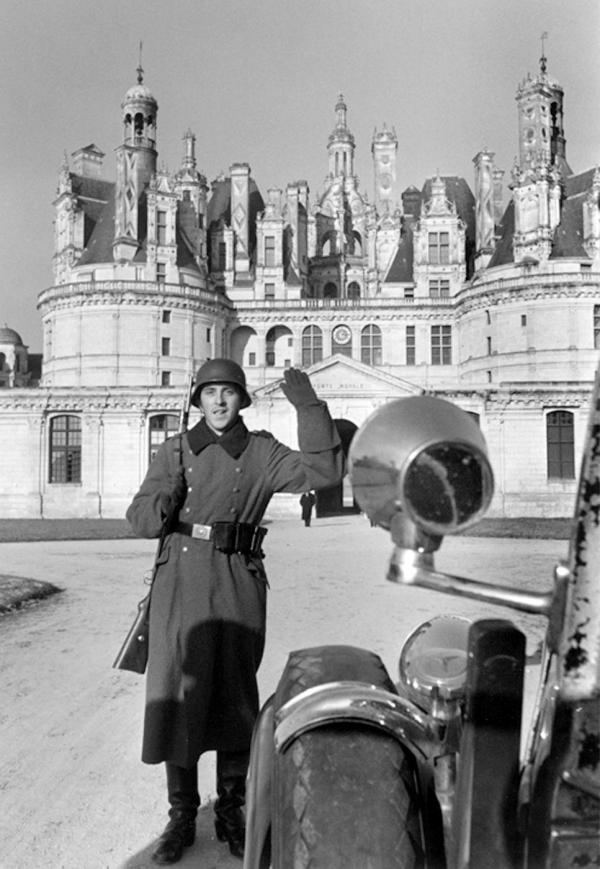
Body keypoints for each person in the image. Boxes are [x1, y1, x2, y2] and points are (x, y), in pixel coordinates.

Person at [125, 359, 343, 865]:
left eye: (228, 392)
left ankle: (230, 810)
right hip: (180, 582)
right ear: (196, 400)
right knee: (179, 693)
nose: (219, 402)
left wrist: (308, 407)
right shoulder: (176, 449)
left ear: (242, 399)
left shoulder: (262, 451)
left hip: (238, 579)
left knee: (235, 693)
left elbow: (325, 470)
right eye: (209, 393)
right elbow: (140, 514)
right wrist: (161, 501)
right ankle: (182, 815)